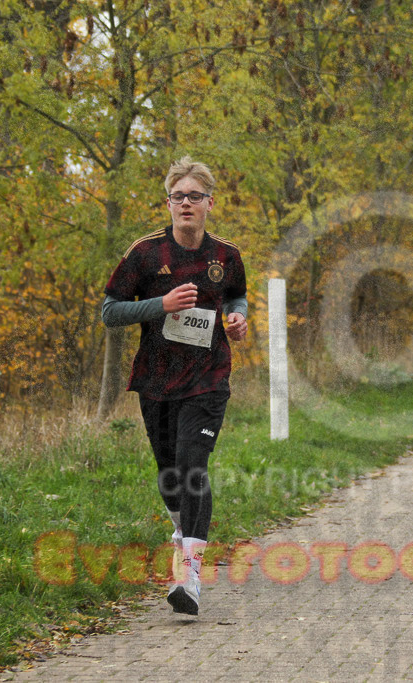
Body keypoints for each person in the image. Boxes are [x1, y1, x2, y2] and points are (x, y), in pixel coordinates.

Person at [101, 156, 248, 616]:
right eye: (178, 196)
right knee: (169, 474)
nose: (186, 204)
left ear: (209, 203)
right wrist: (159, 304)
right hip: (157, 379)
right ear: (168, 203)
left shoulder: (226, 256)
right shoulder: (144, 254)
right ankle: (182, 535)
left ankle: (189, 573)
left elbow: (236, 294)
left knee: (192, 464)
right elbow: (109, 312)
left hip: (208, 378)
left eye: (195, 196)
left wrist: (238, 316)